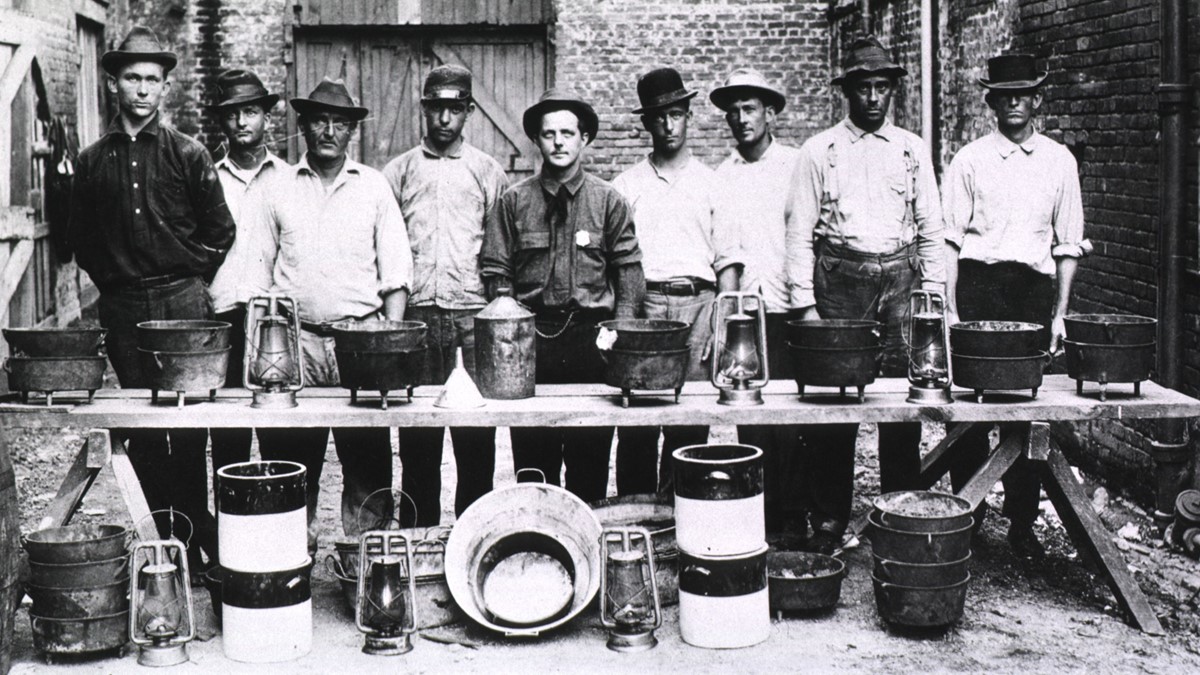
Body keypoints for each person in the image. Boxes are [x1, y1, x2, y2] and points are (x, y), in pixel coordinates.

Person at [68, 27, 235, 571]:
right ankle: (161, 544)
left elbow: (221, 230)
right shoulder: (91, 163)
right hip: (124, 312)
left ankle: (192, 544)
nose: (142, 89)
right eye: (132, 78)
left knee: (186, 430)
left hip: (184, 306)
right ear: (114, 83)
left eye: (153, 80)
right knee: (139, 427)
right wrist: (119, 283)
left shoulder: (189, 153)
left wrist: (187, 279)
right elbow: (82, 241)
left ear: (165, 88)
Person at [788, 36, 946, 554]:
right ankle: (830, 519)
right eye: (864, 88)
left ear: (892, 91)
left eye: (882, 88)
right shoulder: (820, 151)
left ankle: (896, 509)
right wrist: (806, 305)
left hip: (900, 281)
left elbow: (930, 228)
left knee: (901, 402)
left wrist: (934, 296)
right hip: (840, 280)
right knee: (836, 404)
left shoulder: (910, 148)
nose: (873, 98)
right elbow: (798, 232)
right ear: (847, 93)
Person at [244, 78, 413, 548]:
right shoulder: (275, 188)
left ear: (351, 132)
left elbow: (396, 273)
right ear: (303, 125)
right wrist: (264, 353)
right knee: (290, 461)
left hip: (360, 343)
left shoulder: (374, 187)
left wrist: (388, 339)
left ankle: (368, 560)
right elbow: (257, 278)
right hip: (293, 344)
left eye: (340, 123)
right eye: (320, 120)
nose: (329, 131)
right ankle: (289, 559)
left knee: (368, 462)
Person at [942, 53, 1090, 557]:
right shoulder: (970, 159)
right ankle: (969, 514)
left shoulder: (1059, 161)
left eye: (1023, 95)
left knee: (1026, 410)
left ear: (1036, 101)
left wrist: (1059, 315)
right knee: (969, 406)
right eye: (1004, 95)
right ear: (991, 101)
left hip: (1031, 290)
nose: (1013, 103)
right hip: (979, 285)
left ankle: (1022, 522)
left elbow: (1068, 243)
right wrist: (951, 308)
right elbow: (950, 240)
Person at [481, 89, 644, 503]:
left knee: (589, 463)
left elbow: (628, 273)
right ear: (537, 140)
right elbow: (498, 273)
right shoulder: (514, 202)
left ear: (584, 139)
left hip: (593, 343)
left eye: (567, 133)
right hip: (532, 343)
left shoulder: (608, 201)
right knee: (534, 468)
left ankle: (582, 555)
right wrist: (508, 334)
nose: (558, 142)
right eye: (548, 133)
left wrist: (620, 336)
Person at [382, 65, 508, 525]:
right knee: (418, 443)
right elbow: (387, 248)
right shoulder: (398, 172)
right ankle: (419, 543)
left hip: (471, 320)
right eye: (436, 108)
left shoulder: (487, 172)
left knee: (475, 442)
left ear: (469, 112)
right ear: (424, 109)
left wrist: (495, 315)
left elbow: (497, 253)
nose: (444, 119)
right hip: (417, 318)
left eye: (454, 109)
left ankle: (473, 542)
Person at [611, 67, 741, 495]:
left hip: (698, 306)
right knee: (638, 423)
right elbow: (616, 263)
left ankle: (679, 519)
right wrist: (625, 319)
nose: (668, 125)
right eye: (659, 117)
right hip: (645, 305)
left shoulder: (714, 183)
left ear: (689, 117)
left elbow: (729, 262)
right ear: (647, 122)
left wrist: (722, 324)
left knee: (689, 422)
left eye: (677, 114)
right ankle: (636, 518)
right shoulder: (626, 185)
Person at [710, 68, 804, 544]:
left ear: (770, 114)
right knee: (753, 419)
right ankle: (761, 518)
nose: (740, 119)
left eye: (749, 109)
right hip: (750, 315)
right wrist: (726, 319)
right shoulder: (723, 177)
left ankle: (796, 515)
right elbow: (727, 253)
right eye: (733, 111)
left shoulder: (797, 165)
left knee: (795, 418)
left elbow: (810, 237)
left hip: (794, 307)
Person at [206, 68, 287, 491]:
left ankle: (279, 534)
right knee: (227, 438)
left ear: (266, 119)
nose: (242, 123)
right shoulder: (206, 178)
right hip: (221, 317)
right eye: (233, 114)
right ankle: (228, 540)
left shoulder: (289, 178)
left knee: (280, 436)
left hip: (273, 322)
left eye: (251, 112)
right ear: (222, 121)